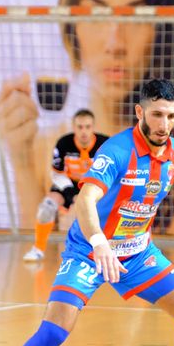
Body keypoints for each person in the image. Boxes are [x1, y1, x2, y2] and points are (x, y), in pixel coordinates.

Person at [0, 0, 174, 233]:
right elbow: (35, 253)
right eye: (97, 13)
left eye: (136, 16)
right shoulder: (50, 148)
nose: (115, 43)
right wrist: (21, 160)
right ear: (73, 23)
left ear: (163, 27)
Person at [22, 79, 174, 346]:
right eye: (157, 114)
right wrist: (99, 242)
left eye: (171, 116)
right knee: (53, 333)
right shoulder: (117, 151)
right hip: (89, 252)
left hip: (138, 254)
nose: (164, 125)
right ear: (139, 112)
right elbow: (85, 199)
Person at [23, 109, 109, 261]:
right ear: (73, 127)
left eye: (88, 127)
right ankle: (38, 249)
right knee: (46, 208)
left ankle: (108, 252)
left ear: (93, 127)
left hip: (94, 185)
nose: (84, 131)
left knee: (107, 214)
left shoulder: (105, 145)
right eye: (80, 127)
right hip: (69, 183)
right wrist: (71, 193)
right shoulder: (63, 143)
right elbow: (56, 173)